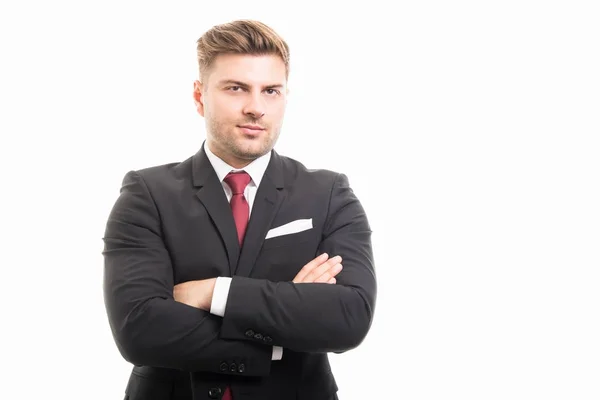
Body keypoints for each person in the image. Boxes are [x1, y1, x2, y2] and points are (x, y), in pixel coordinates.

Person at [102, 19, 377, 400]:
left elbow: (349, 318)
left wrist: (215, 293)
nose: (255, 108)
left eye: (271, 91)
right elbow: (140, 330)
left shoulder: (329, 194)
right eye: (236, 88)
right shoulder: (147, 194)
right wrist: (285, 326)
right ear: (200, 96)